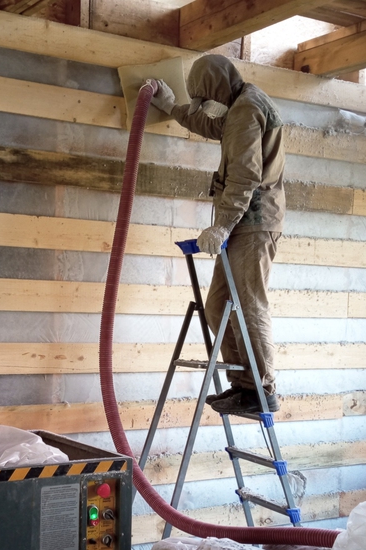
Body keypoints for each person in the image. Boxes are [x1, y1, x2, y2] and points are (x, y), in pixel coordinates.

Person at [149, 55, 285, 414]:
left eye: (206, 98)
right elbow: (215, 127)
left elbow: (244, 175)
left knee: (248, 305)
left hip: (252, 222)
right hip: (244, 222)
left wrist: (223, 223)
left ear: (217, 86)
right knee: (218, 308)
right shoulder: (241, 104)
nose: (208, 107)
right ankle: (244, 385)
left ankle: (263, 389)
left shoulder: (247, 108)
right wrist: (172, 108)